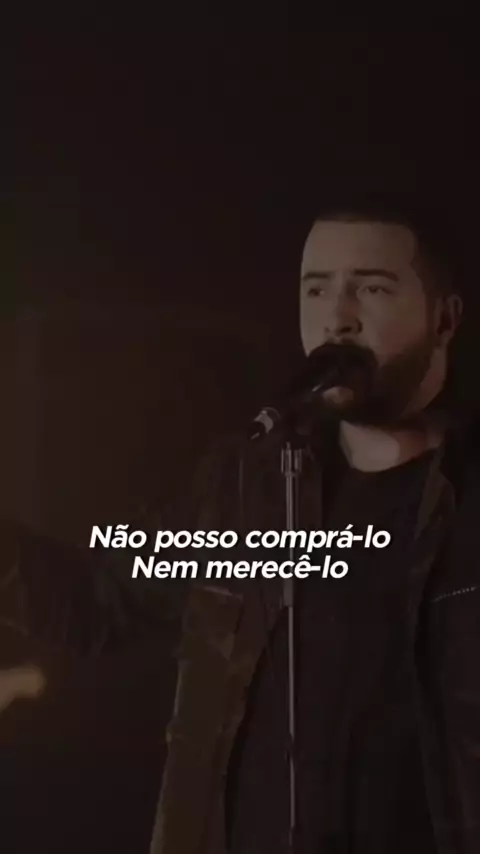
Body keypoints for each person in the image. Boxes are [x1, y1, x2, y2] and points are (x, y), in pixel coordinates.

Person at [1, 193, 479, 854]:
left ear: (444, 319)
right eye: (316, 289)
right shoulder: (242, 490)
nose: (337, 317)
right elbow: (94, 602)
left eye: (371, 289)